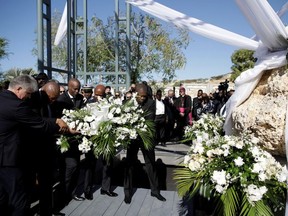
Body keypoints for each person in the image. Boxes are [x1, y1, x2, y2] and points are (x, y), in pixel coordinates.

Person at [0, 75, 70, 216]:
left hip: (4, 157)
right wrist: (58, 123)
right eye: (28, 93)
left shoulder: (2, 98)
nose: (28, 97)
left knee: (3, 198)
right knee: (18, 201)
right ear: (19, 88)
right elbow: (39, 124)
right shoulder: (17, 105)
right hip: (12, 160)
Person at [123, 83, 166, 204]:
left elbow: (149, 120)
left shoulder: (151, 103)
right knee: (129, 164)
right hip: (132, 139)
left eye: (144, 96)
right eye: (140, 96)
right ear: (135, 94)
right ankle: (127, 192)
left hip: (146, 138)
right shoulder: (127, 104)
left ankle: (155, 191)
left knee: (151, 163)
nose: (143, 98)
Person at [28, 81, 65, 216]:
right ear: (43, 91)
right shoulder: (32, 100)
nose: (53, 100)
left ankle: (47, 210)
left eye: (55, 98)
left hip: (48, 149)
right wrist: (56, 123)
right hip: (34, 149)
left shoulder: (50, 102)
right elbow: (37, 122)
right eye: (51, 97)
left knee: (47, 182)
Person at [55, 78, 86, 203]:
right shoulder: (61, 100)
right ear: (69, 87)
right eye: (75, 89)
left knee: (76, 167)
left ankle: (73, 192)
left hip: (77, 140)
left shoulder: (79, 98)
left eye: (78, 88)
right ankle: (64, 195)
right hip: (65, 140)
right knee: (69, 168)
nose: (77, 91)